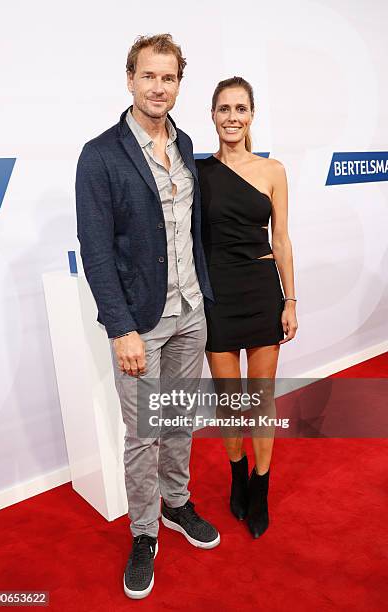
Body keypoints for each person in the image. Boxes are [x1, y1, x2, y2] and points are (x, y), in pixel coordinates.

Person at [75, 34, 220, 600]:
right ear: (130, 79)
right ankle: (143, 532)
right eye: (148, 76)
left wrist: (203, 296)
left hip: (190, 311)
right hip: (141, 320)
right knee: (144, 434)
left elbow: (190, 232)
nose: (158, 87)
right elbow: (96, 250)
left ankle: (178, 504)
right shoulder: (101, 154)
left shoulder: (184, 145)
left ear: (178, 84)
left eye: (169, 78)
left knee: (180, 420)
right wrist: (121, 328)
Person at [196, 76, 298, 539]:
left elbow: (281, 240)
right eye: (224, 109)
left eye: (240, 108)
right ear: (213, 116)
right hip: (217, 295)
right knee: (230, 402)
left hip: (260, 293)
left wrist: (290, 300)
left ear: (252, 114)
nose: (232, 117)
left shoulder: (273, 169)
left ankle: (261, 485)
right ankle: (236, 473)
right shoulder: (198, 173)